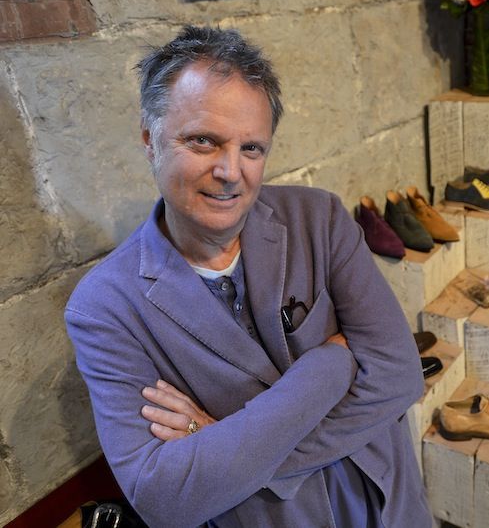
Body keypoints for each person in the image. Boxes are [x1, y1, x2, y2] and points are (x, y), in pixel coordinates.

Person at [65, 26, 431, 527]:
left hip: (388, 502)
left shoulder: (319, 220)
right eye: (203, 141)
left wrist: (221, 442)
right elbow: (163, 497)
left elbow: (400, 375)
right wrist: (331, 365)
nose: (231, 171)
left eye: (252, 148)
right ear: (150, 140)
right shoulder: (105, 307)